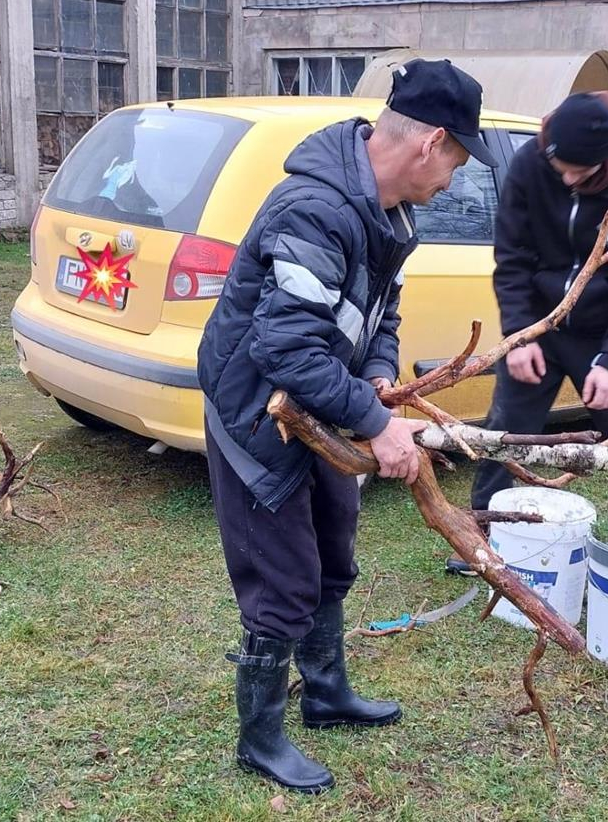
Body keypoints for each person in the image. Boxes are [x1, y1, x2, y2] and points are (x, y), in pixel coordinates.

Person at [197, 58, 496, 794]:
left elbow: (381, 311)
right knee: (283, 582)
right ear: (430, 142)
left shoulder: (388, 214)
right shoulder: (316, 209)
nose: (453, 179)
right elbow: (285, 345)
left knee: (333, 553)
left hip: (320, 406)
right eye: (457, 159)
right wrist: (376, 424)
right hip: (258, 415)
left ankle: (326, 695)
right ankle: (259, 739)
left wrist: (374, 377)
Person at [453, 91, 608, 572]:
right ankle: (483, 535)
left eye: (578, 173)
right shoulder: (531, 164)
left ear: (605, 160)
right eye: (560, 168)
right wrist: (520, 335)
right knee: (506, 432)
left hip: (605, 334)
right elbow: (512, 257)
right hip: (539, 326)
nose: (566, 179)